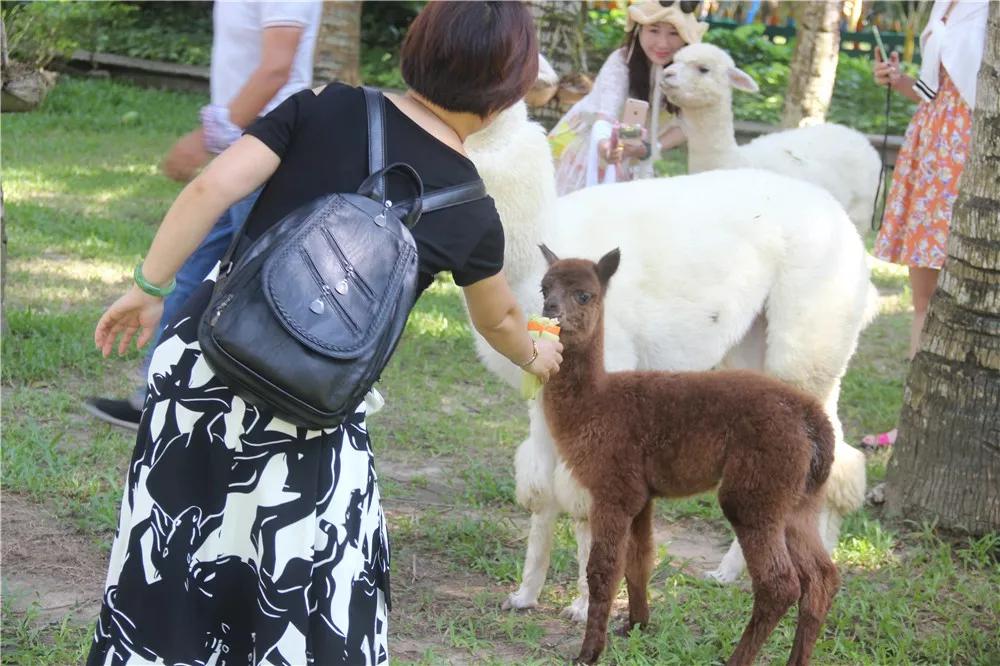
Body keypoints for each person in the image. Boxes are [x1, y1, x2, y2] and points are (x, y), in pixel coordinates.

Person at [86, 3, 561, 664]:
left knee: (170, 546)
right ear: (508, 92)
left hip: (205, 358)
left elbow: (211, 189)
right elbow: (501, 317)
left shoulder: (323, 103)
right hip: (312, 399)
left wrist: (149, 287)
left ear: (415, 50)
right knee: (303, 569)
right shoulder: (470, 207)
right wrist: (540, 354)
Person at [84, 0, 321, 429]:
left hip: (270, 151)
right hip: (242, 147)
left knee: (261, 288)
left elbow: (277, 66)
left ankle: (278, 411)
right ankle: (155, 398)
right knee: (191, 271)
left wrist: (211, 134)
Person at [862, 0, 987, 450]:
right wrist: (899, 81)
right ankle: (913, 419)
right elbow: (936, 89)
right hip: (933, 140)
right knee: (925, 296)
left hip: (978, 148)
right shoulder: (942, 4)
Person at [548, 0, 708, 195]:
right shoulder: (621, 62)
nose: (663, 43)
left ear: (686, 37)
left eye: (674, 33)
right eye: (654, 30)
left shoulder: (689, 71)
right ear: (638, 30)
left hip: (631, 151)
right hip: (587, 146)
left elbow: (690, 122)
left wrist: (649, 148)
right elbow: (606, 116)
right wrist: (607, 146)